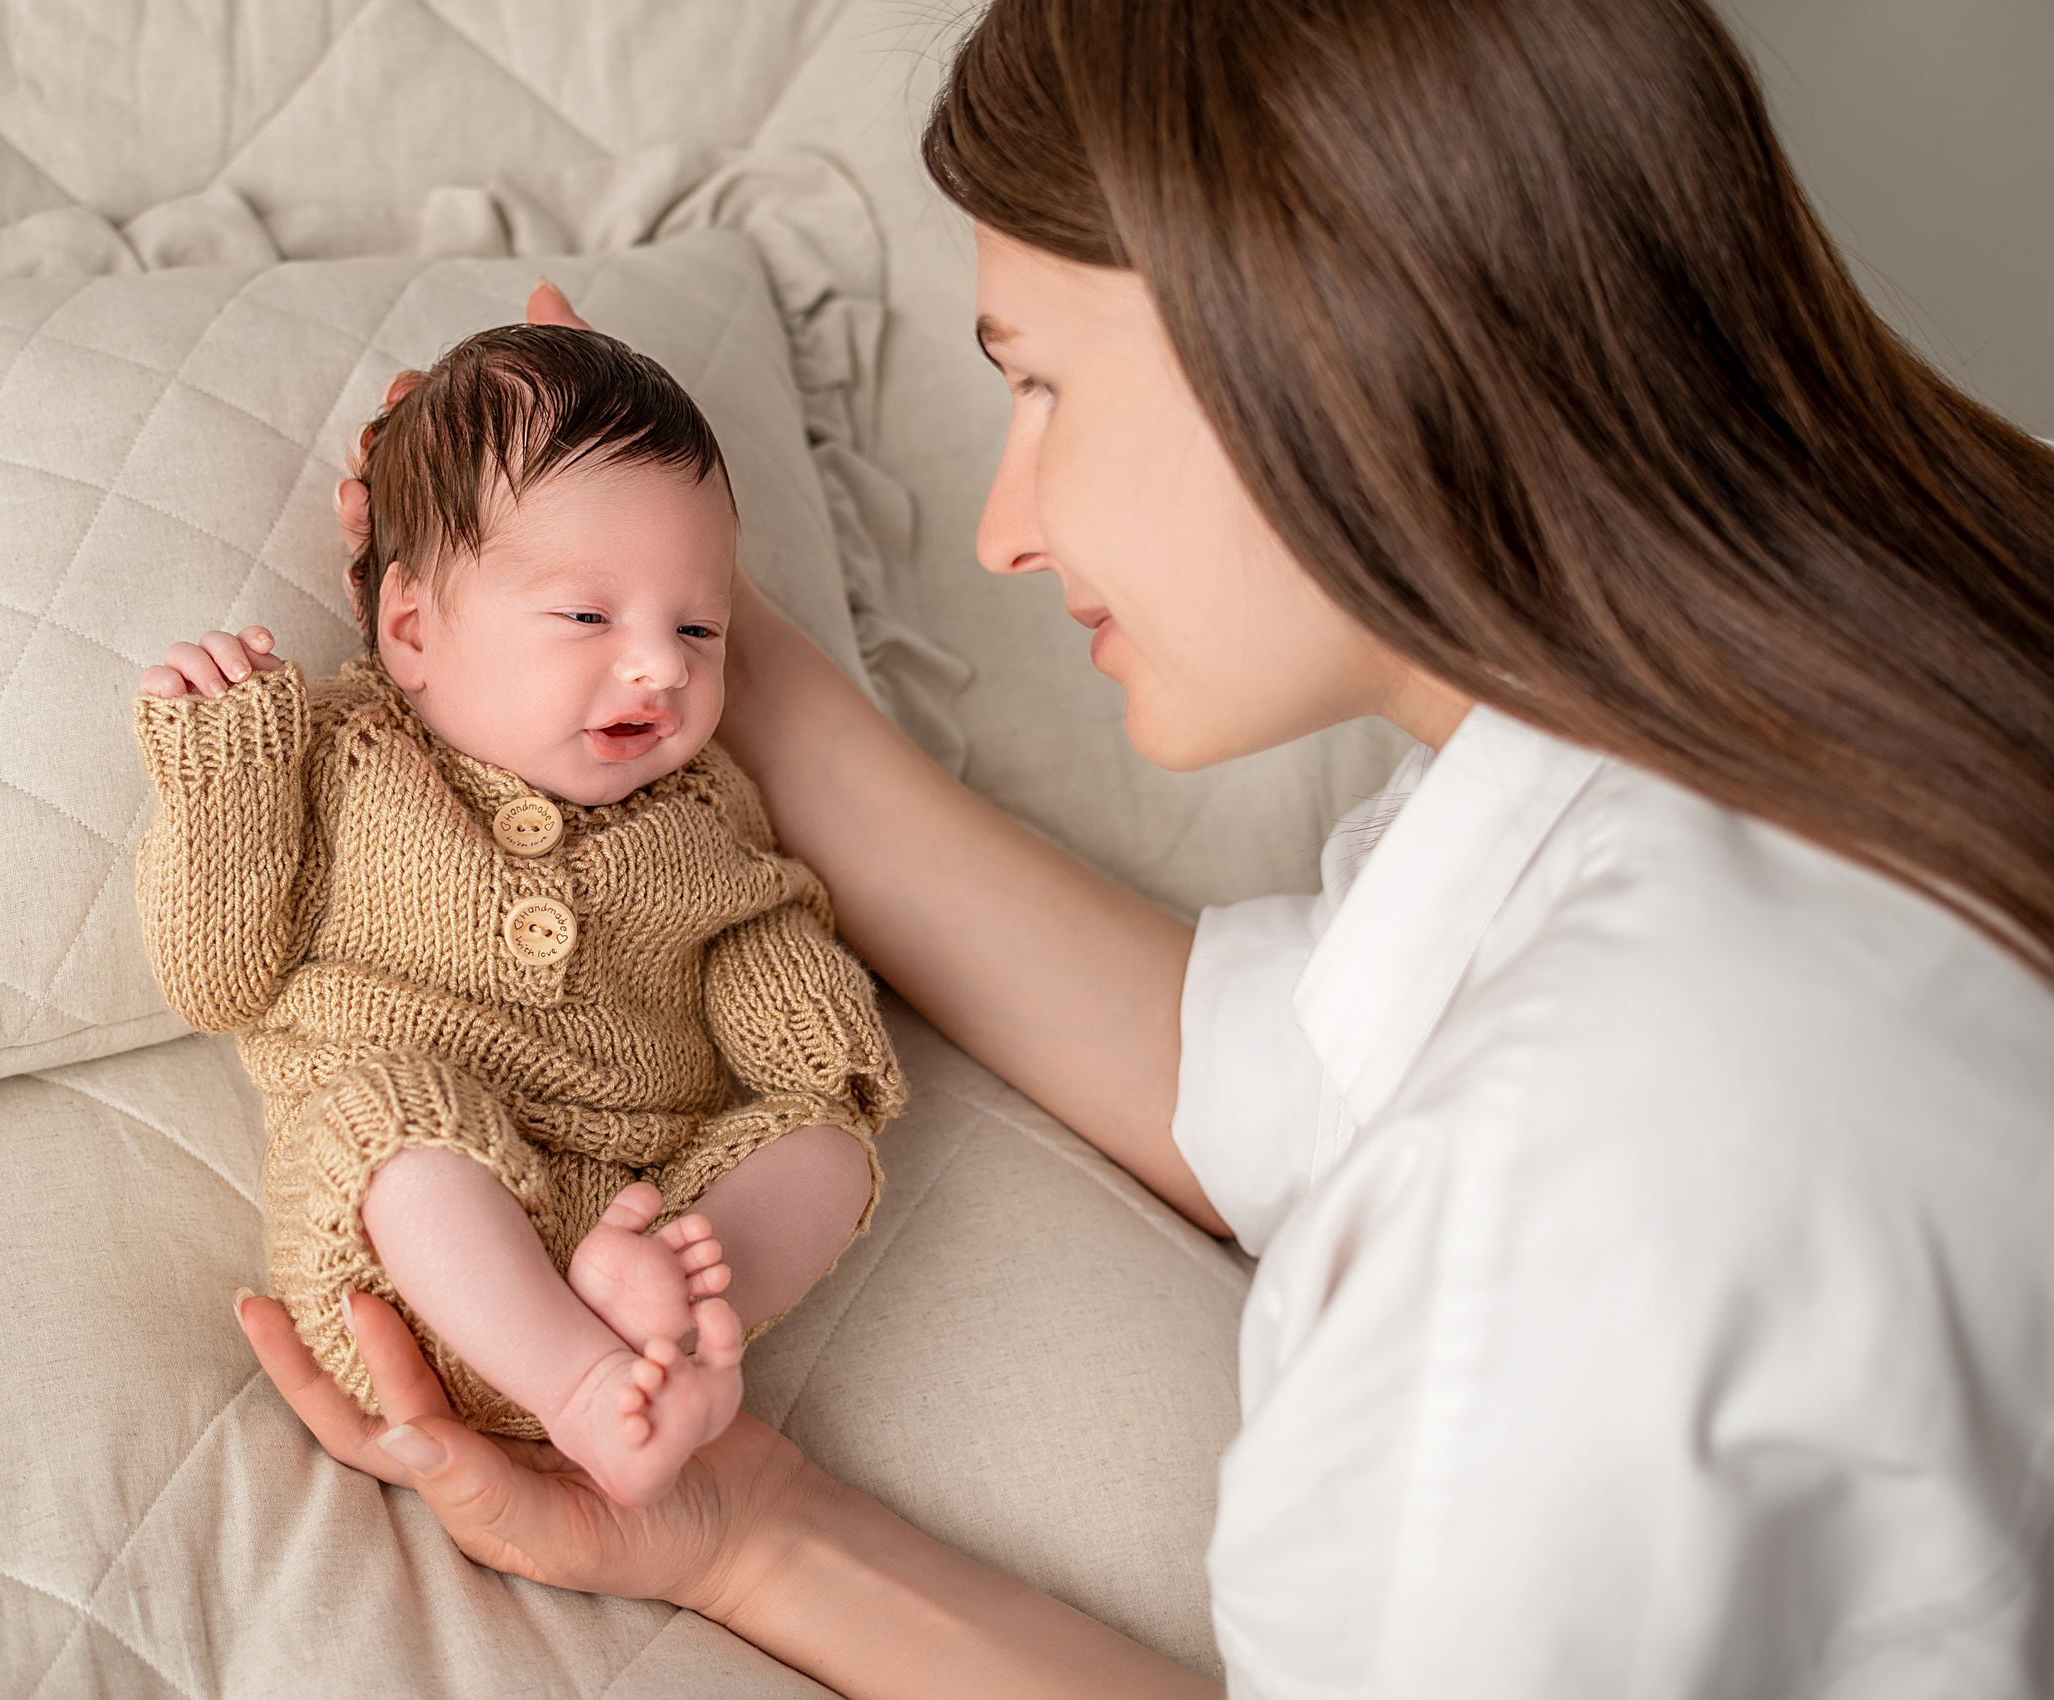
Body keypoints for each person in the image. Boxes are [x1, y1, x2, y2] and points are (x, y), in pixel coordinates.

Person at [242, 0, 2054, 1693]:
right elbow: (1273, 1072)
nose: (1006, 526)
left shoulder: (1571, 1173)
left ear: (1322, 341)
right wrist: (671, 640)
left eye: (1036, 384)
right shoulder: (1824, 735)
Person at [141, 325, 899, 1509]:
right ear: (411, 631)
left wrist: (822, 1071)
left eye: (697, 627)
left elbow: (761, 928)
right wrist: (227, 774)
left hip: (644, 1205)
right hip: (405, 1270)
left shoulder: (702, 804)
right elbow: (219, 980)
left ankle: (670, 1330)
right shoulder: (344, 755)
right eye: (589, 618)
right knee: (388, 1115)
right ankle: (589, 1381)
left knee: (831, 1149)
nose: (658, 667)